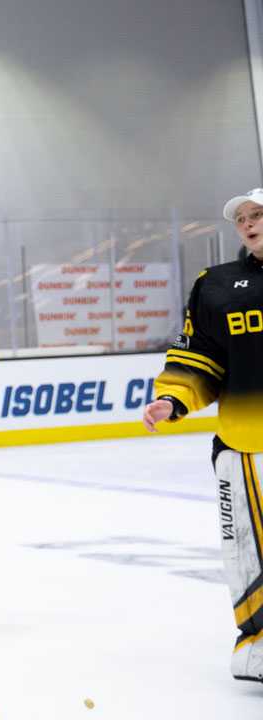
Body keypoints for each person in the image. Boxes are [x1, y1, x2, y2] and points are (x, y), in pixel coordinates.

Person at [143, 187, 263, 684]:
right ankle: (256, 646)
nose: (249, 224)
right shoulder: (215, 285)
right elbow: (200, 360)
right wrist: (173, 399)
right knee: (246, 553)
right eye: (241, 219)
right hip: (245, 445)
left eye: (257, 214)